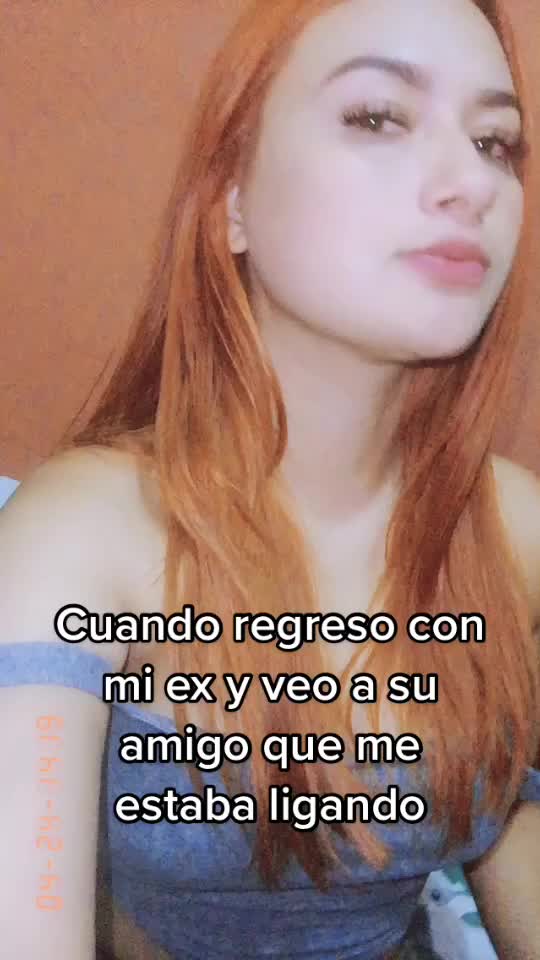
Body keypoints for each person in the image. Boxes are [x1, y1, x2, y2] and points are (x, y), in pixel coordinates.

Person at [1, 0, 539, 957]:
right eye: (378, 117)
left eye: (495, 142)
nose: (472, 183)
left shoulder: (518, 530)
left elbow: (504, 820)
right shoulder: (82, 538)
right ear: (232, 201)